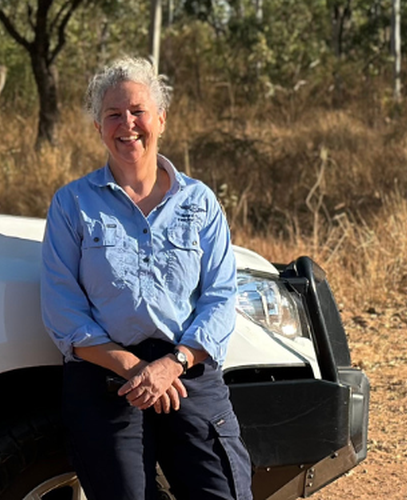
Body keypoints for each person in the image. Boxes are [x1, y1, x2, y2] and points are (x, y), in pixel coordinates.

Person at [40, 57, 252, 500]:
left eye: (137, 111)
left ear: (161, 118)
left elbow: (219, 297)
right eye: (113, 115)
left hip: (186, 371)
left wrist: (172, 363)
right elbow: (63, 310)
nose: (127, 125)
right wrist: (136, 369)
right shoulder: (71, 204)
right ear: (98, 127)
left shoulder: (200, 201)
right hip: (108, 376)